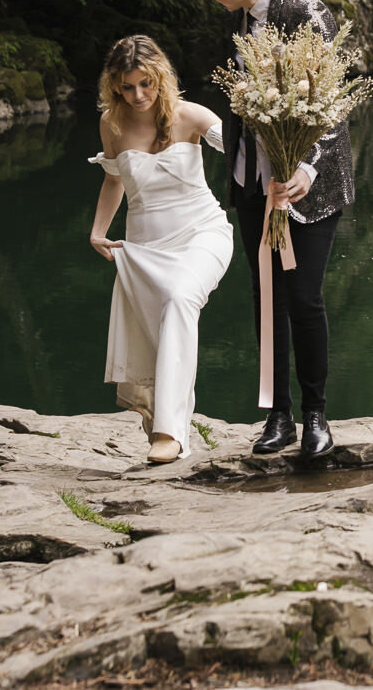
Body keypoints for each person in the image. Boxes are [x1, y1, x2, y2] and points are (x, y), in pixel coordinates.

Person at [188, 0, 354, 459]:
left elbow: (332, 100)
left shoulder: (307, 13)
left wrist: (306, 163)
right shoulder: (242, 19)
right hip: (254, 183)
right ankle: (277, 417)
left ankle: (315, 416)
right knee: (267, 299)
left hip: (307, 185)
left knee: (303, 299)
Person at [87, 35, 233, 465]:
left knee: (180, 298)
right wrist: (97, 231)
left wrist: (276, 133)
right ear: (115, 86)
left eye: (145, 84)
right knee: (158, 333)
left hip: (202, 234)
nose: (137, 95)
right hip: (145, 247)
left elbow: (243, 148)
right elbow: (114, 180)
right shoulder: (112, 123)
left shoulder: (190, 114)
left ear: (161, 77)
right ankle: (164, 423)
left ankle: (170, 434)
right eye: (127, 87)